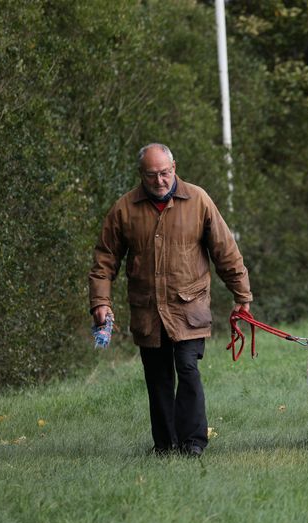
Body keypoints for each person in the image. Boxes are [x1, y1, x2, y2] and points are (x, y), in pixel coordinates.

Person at [89, 143, 252, 456]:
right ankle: (165, 445)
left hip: (189, 307)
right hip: (147, 310)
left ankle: (192, 443)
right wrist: (100, 302)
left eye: (164, 173)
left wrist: (241, 295)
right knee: (158, 376)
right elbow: (105, 259)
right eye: (152, 175)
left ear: (174, 168)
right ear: (141, 175)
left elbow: (225, 250)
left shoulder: (198, 199)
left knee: (187, 368)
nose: (159, 180)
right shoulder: (124, 209)